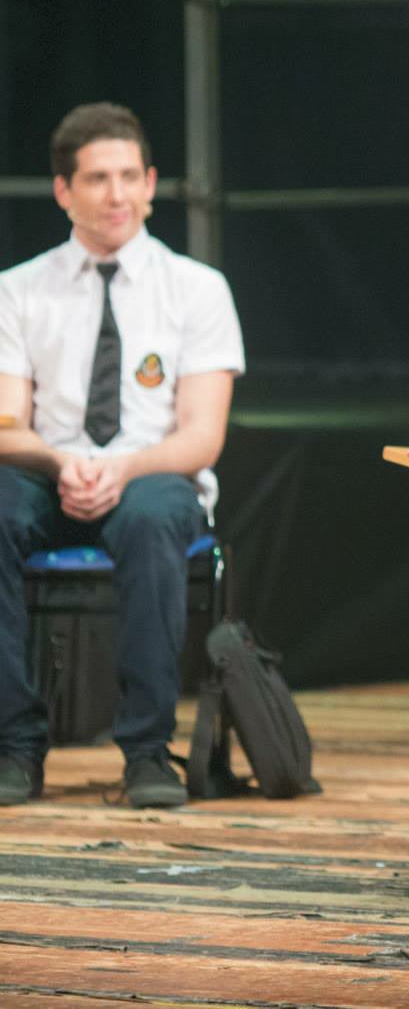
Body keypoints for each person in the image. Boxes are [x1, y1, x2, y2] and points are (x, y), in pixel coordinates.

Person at [0, 103, 244, 810]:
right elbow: (6, 424)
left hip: (150, 473)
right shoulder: (18, 289)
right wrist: (61, 464)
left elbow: (202, 437)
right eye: (98, 178)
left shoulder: (197, 288)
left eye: (130, 177)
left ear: (152, 184)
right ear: (63, 190)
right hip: (48, 468)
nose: (117, 195)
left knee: (151, 516)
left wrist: (121, 468)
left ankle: (146, 752)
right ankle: (16, 746)